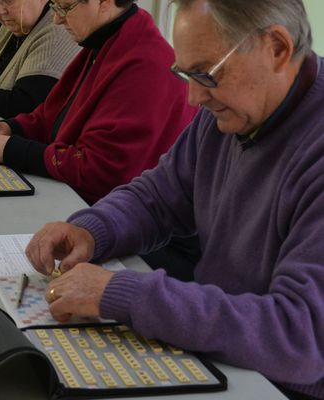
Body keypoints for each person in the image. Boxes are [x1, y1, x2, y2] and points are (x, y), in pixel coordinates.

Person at [26, 0, 324, 398]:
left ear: (277, 49)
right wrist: (92, 230)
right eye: (186, 73)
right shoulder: (232, 108)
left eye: (206, 74)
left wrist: (125, 294)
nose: (193, 98)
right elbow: (159, 195)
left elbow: (298, 336)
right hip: (220, 354)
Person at [0, 0, 196, 205]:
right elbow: (54, 115)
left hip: (130, 221)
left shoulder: (145, 64)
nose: (56, 19)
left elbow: (100, 169)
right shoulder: (106, 39)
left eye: (65, 7)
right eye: (55, 6)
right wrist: (12, 128)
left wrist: (11, 149)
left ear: (104, 2)